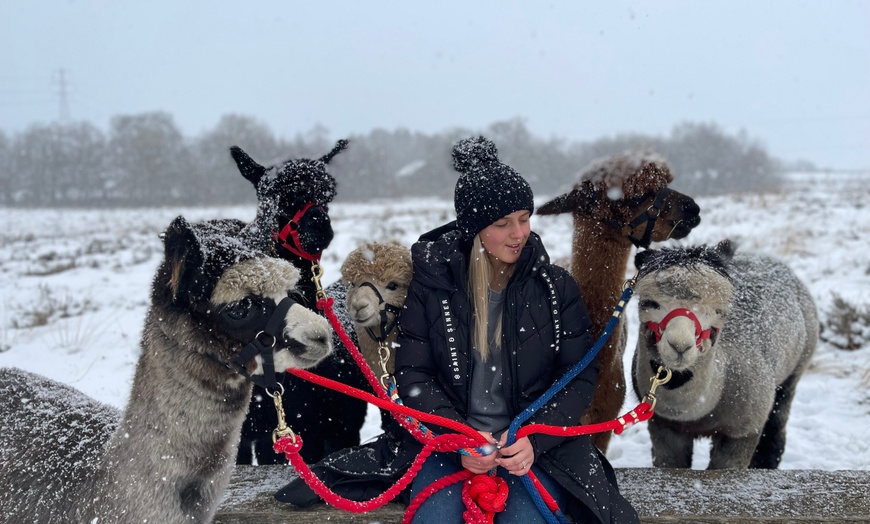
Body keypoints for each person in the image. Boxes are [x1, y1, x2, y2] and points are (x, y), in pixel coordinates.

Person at [394, 136, 639, 523]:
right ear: (474, 230)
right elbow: (413, 375)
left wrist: (535, 439)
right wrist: (459, 436)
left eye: (525, 219)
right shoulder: (433, 286)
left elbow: (578, 376)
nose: (518, 233)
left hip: (536, 449)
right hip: (447, 446)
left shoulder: (556, 288)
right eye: (503, 223)